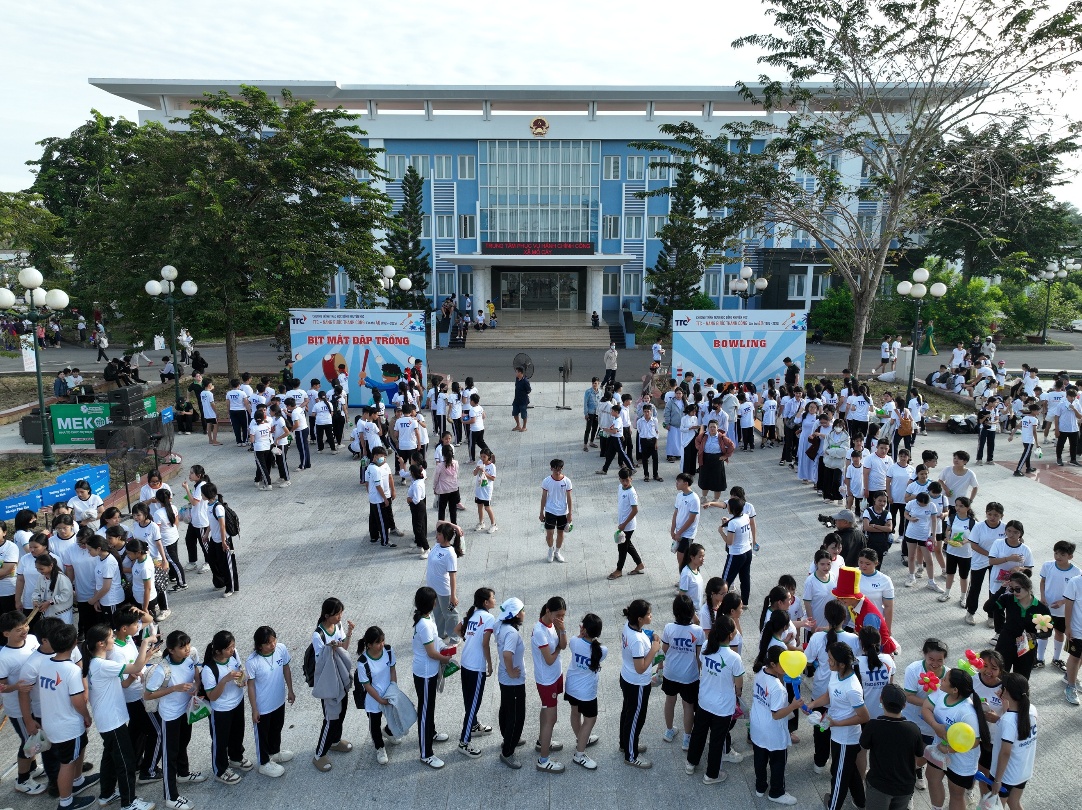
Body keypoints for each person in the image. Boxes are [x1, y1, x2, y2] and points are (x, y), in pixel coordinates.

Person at [804, 642, 870, 810]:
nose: (828, 662)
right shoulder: (836, 674)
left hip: (846, 738)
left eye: (831, 659)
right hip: (835, 731)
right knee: (850, 770)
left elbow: (864, 717)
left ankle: (833, 806)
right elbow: (829, 695)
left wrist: (837, 723)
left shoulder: (853, 688)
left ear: (842, 664)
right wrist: (811, 705)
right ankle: (861, 801)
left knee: (839, 774)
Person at [685, 613, 743, 785]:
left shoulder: (705, 647)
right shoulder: (734, 658)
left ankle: (691, 762)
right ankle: (711, 774)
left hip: (704, 700)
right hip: (723, 706)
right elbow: (738, 684)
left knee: (698, 733)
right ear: (731, 635)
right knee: (717, 740)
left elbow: (702, 664)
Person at [750, 646, 803, 805]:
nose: (787, 667)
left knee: (759, 759)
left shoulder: (760, 672)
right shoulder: (778, 689)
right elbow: (776, 714)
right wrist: (793, 706)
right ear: (773, 664)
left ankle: (760, 787)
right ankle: (776, 792)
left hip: (757, 727)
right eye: (783, 664)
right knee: (778, 762)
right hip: (773, 732)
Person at [860, 683, 923, 810]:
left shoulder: (873, 726)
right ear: (904, 705)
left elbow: (862, 749)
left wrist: (863, 777)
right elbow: (919, 756)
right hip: (905, 787)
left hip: (879, 786)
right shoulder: (913, 729)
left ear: (881, 700)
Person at [201, 630, 252, 784]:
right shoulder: (209, 669)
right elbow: (212, 696)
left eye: (233, 646)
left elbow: (240, 672)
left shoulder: (233, 655)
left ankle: (236, 757)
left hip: (237, 702)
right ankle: (220, 770)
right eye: (229, 648)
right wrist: (225, 680)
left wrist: (242, 680)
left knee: (238, 732)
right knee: (220, 741)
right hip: (221, 709)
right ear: (218, 651)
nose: (232, 650)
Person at [310, 598, 355, 772]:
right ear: (327, 615)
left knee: (342, 712)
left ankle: (335, 741)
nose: (340, 617)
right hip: (328, 680)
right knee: (330, 717)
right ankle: (319, 754)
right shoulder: (318, 635)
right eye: (337, 614)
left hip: (341, 674)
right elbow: (321, 661)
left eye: (341, 613)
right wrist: (331, 647)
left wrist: (349, 633)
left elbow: (344, 648)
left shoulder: (338, 626)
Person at [244, 625, 295, 778]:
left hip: (278, 700)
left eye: (273, 640)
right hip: (263, 705)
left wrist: (290, 690)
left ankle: (274, 752)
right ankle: (264, 762)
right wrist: (254, 709)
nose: (272, 645)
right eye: (267, 643)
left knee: (277, 727)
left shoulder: (281, 649)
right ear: (259, 645)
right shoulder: (252, 661)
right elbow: (251, 686)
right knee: (263, 734)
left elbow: (286, 668)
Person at [454, 587, 496, 758]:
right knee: (473, 704)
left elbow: (457, 629)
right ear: (486, 602)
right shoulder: (489, 618)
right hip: (476, 666)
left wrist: (468, 639)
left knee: (469, 700)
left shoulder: (472, 613)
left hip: (465, 663)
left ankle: (474, 725)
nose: (494, 600)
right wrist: (490, 664)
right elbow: (485, 644)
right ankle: (464, 742)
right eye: (493, 598)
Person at [619, 599, 660, 769]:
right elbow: (641, 667)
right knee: (636, 718)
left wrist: (652, 636)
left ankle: (625, 743)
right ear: (640, 619)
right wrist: (654, 649)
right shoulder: (637, 641)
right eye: (648, 614)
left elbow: (644, 634)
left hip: (626, 678)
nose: (651, 615)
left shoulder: (629, 626)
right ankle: (631, 755)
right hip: (638, 684)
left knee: (628, 713)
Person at [660, 594, 704, 752]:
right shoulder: (698, 631)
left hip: (670, 672)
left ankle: (669, 730)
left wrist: (659, 667)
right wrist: (699, 673)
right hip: (689, 676)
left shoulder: (669, 628)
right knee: (688, 706)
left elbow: (663, 650)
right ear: (692, 611)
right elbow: (699, 657)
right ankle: (687, 738)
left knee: (669, 701)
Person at [563, 612, 606, 770]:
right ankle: (579, 754)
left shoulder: (574, 641)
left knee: (575, 713)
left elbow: (575, 642)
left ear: (584, 629)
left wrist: (581, 634)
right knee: (590, 720)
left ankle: (581, 738)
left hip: (571, 687)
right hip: (587, 693)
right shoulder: (602, 651)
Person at [988, 673, 1037, 808]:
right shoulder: (1031, 710)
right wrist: (1006, 707)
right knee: (1014, 803)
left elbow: (1005, 752)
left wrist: (997, 780)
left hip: (1006, 776)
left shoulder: (1008, 720)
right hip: (1022, 772)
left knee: (996, 807)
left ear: (1006, 691)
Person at [533, 596, 569, 773]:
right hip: (546, 680)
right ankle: (543, 760)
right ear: (548, 611)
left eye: (563, 615)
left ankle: (542, 741)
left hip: (555, 675)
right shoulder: (539, 631)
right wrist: (558, 649)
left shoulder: (555, 625)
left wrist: (562, 630)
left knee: (546, 709)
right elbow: (548, 659)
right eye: (558, 615)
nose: (561, 619)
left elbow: (564, 644)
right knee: (551, 718)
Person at [355, 625, 398, 766]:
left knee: (394, 717)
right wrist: (380, 700)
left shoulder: (388, 650)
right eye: (378, 642)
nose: (382, 645)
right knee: (375, 725)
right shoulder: (363, 662)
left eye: (383, 641)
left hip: (389, 694)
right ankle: (379, 748)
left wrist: (393, 688)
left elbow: (392, 669)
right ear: (369, 645)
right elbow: (367, 685)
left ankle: (388, 732)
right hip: (373, 699)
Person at [426, 524, 460, 642]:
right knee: (437, 613)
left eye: (440, 534)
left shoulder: (450, 554)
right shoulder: (437, 545)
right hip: (433, 588)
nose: (437, 536)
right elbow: (439, 521)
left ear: (446, 536)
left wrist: (453, 596)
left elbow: (452, 576)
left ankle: (455, 637)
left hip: (444, 591)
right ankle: (441, 634)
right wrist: (455, 526)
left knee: (450, 614)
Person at [540, 459, 573, 563]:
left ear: (562, 469)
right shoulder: (546, 481)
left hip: (563, 512)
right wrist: (541, 512)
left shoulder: (567, 481)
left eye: (559, 470)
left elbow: (569, 498)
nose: (557, 472)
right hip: (550, 511)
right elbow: (544, 497)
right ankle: (550, 550)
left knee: (560, 534)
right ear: (551, 469)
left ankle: (557, 552)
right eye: (555, 470)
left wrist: (570, 514)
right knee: (549, 534)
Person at [511, 366, 531, 431]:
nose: (515, 373)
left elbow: (529, 390)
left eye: (516, 372)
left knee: (523, 414)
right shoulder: (517, 378)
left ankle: (524, 427)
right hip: (516, 400)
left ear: (520, 372)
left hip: (523, 401)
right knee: (514, 413)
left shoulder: (525, 381)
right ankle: (518, 425)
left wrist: (523, 393)